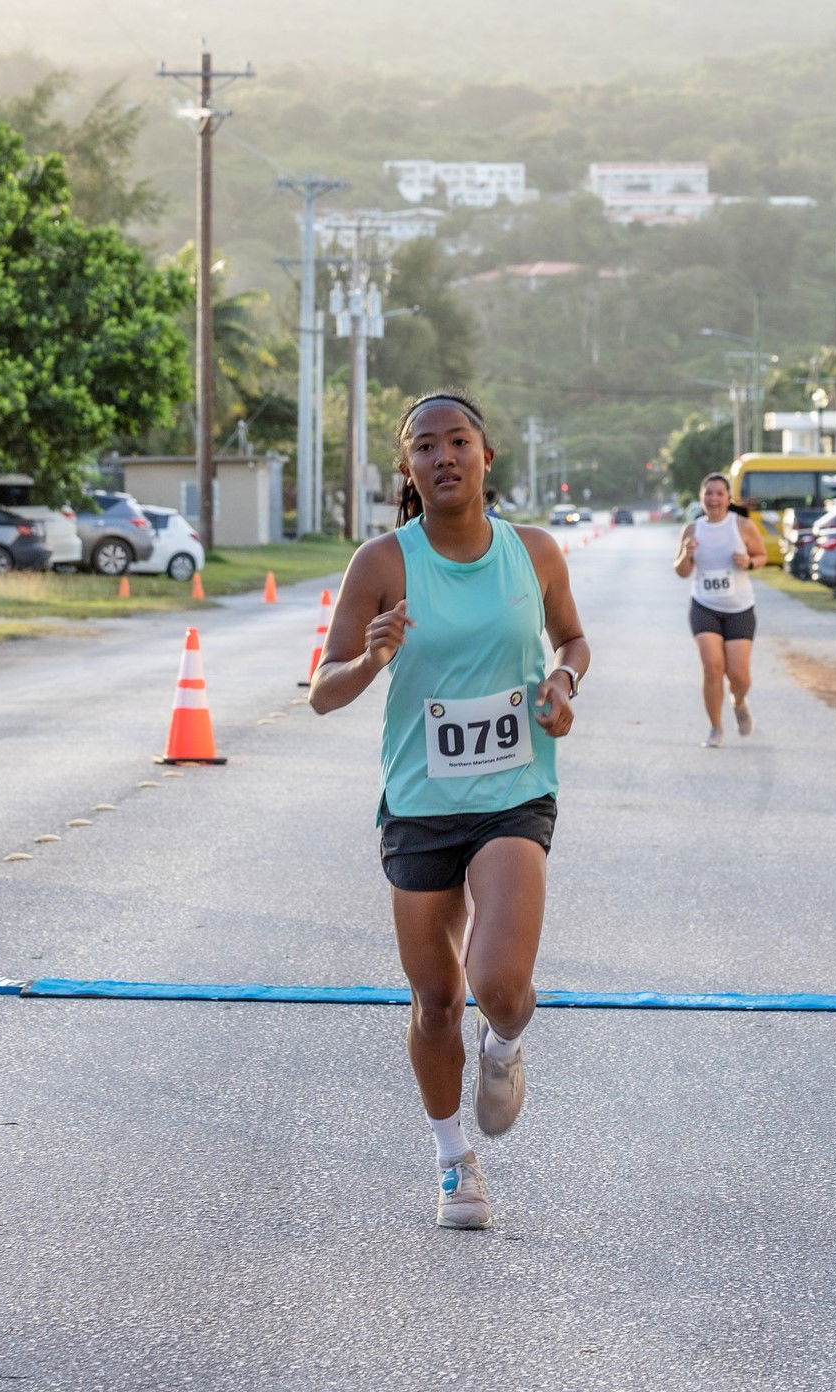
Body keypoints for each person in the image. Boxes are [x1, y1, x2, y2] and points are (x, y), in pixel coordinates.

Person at [309, 391, 589, 1231]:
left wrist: (562, 683)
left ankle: (504, 1048)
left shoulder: (532, 552)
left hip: (514, 792)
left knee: (498, 985)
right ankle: (451, 1163)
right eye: (424, 447)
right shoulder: (381, 564)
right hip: (420, 803)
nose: (443, 457)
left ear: (485, 455)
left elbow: (571, 640)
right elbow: (323, 692)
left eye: (457, 441)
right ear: (408, 468)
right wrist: (369, 658)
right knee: (434, 1000)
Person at [674, 472, 766, 748]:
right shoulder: (692, 530)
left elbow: (762, 556)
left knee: (739, 676)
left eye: (719, 493)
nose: (713, 498)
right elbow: (681, 571)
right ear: (701, 498)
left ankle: (738, 701)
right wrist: (686, 554)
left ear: (728, 498)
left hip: (740, 607)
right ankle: (715, 728)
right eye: (708, 493)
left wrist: (748, 561)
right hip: (705, 605)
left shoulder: (742, 525)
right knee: (712, 668)